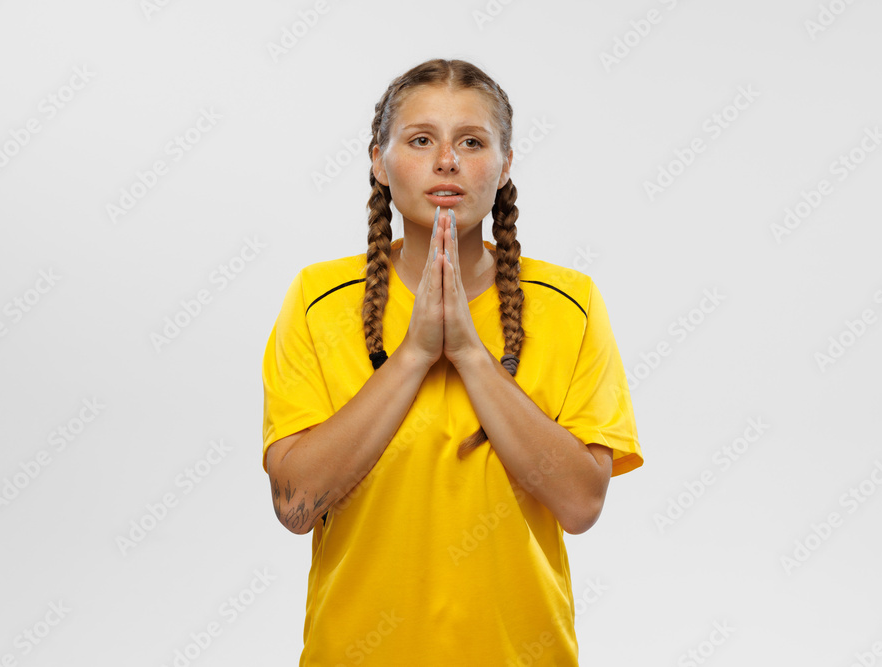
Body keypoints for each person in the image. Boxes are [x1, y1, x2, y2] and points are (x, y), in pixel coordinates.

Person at [262, 58, 643, 666]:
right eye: (421, 140)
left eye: (471, 142)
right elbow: (295, 505)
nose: (447, 161)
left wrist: (469, 353)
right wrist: (414, 353)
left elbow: (580, 506)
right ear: (379, 161)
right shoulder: (317, 298)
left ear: (505, 163)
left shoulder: (571, 302)